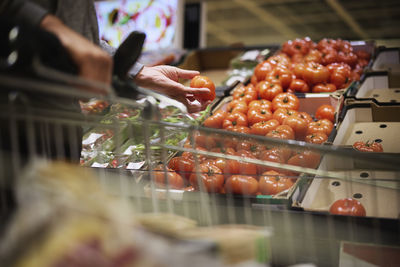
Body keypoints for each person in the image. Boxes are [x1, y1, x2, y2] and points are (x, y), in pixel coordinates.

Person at [0, 0, 211, 113]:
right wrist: (49, 27)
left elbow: (83, 39)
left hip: (59, 116)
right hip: (17, 111)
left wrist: (139, 72)